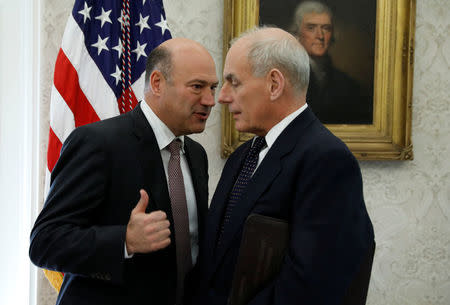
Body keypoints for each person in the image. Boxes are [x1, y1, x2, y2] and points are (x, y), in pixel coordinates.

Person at [189, 27, 375, 305]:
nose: (222, 97)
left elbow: (313, 286)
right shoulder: (243, 155)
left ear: (274, 84)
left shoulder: (326, 160)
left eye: (234, 82)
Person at [29, 37, 218, 305]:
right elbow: (45, 243)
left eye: (213, 87)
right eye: (197, 87)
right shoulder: (98, 143)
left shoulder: (196, 155)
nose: (210, 100)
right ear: (157, 83)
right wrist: (124, 241)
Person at [290, 1, 373, 124]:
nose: (320, 36)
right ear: (297, 33)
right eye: (311, 28)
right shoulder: (286, 78)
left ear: (332, 35)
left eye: (326, 28)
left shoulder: (348, 85)